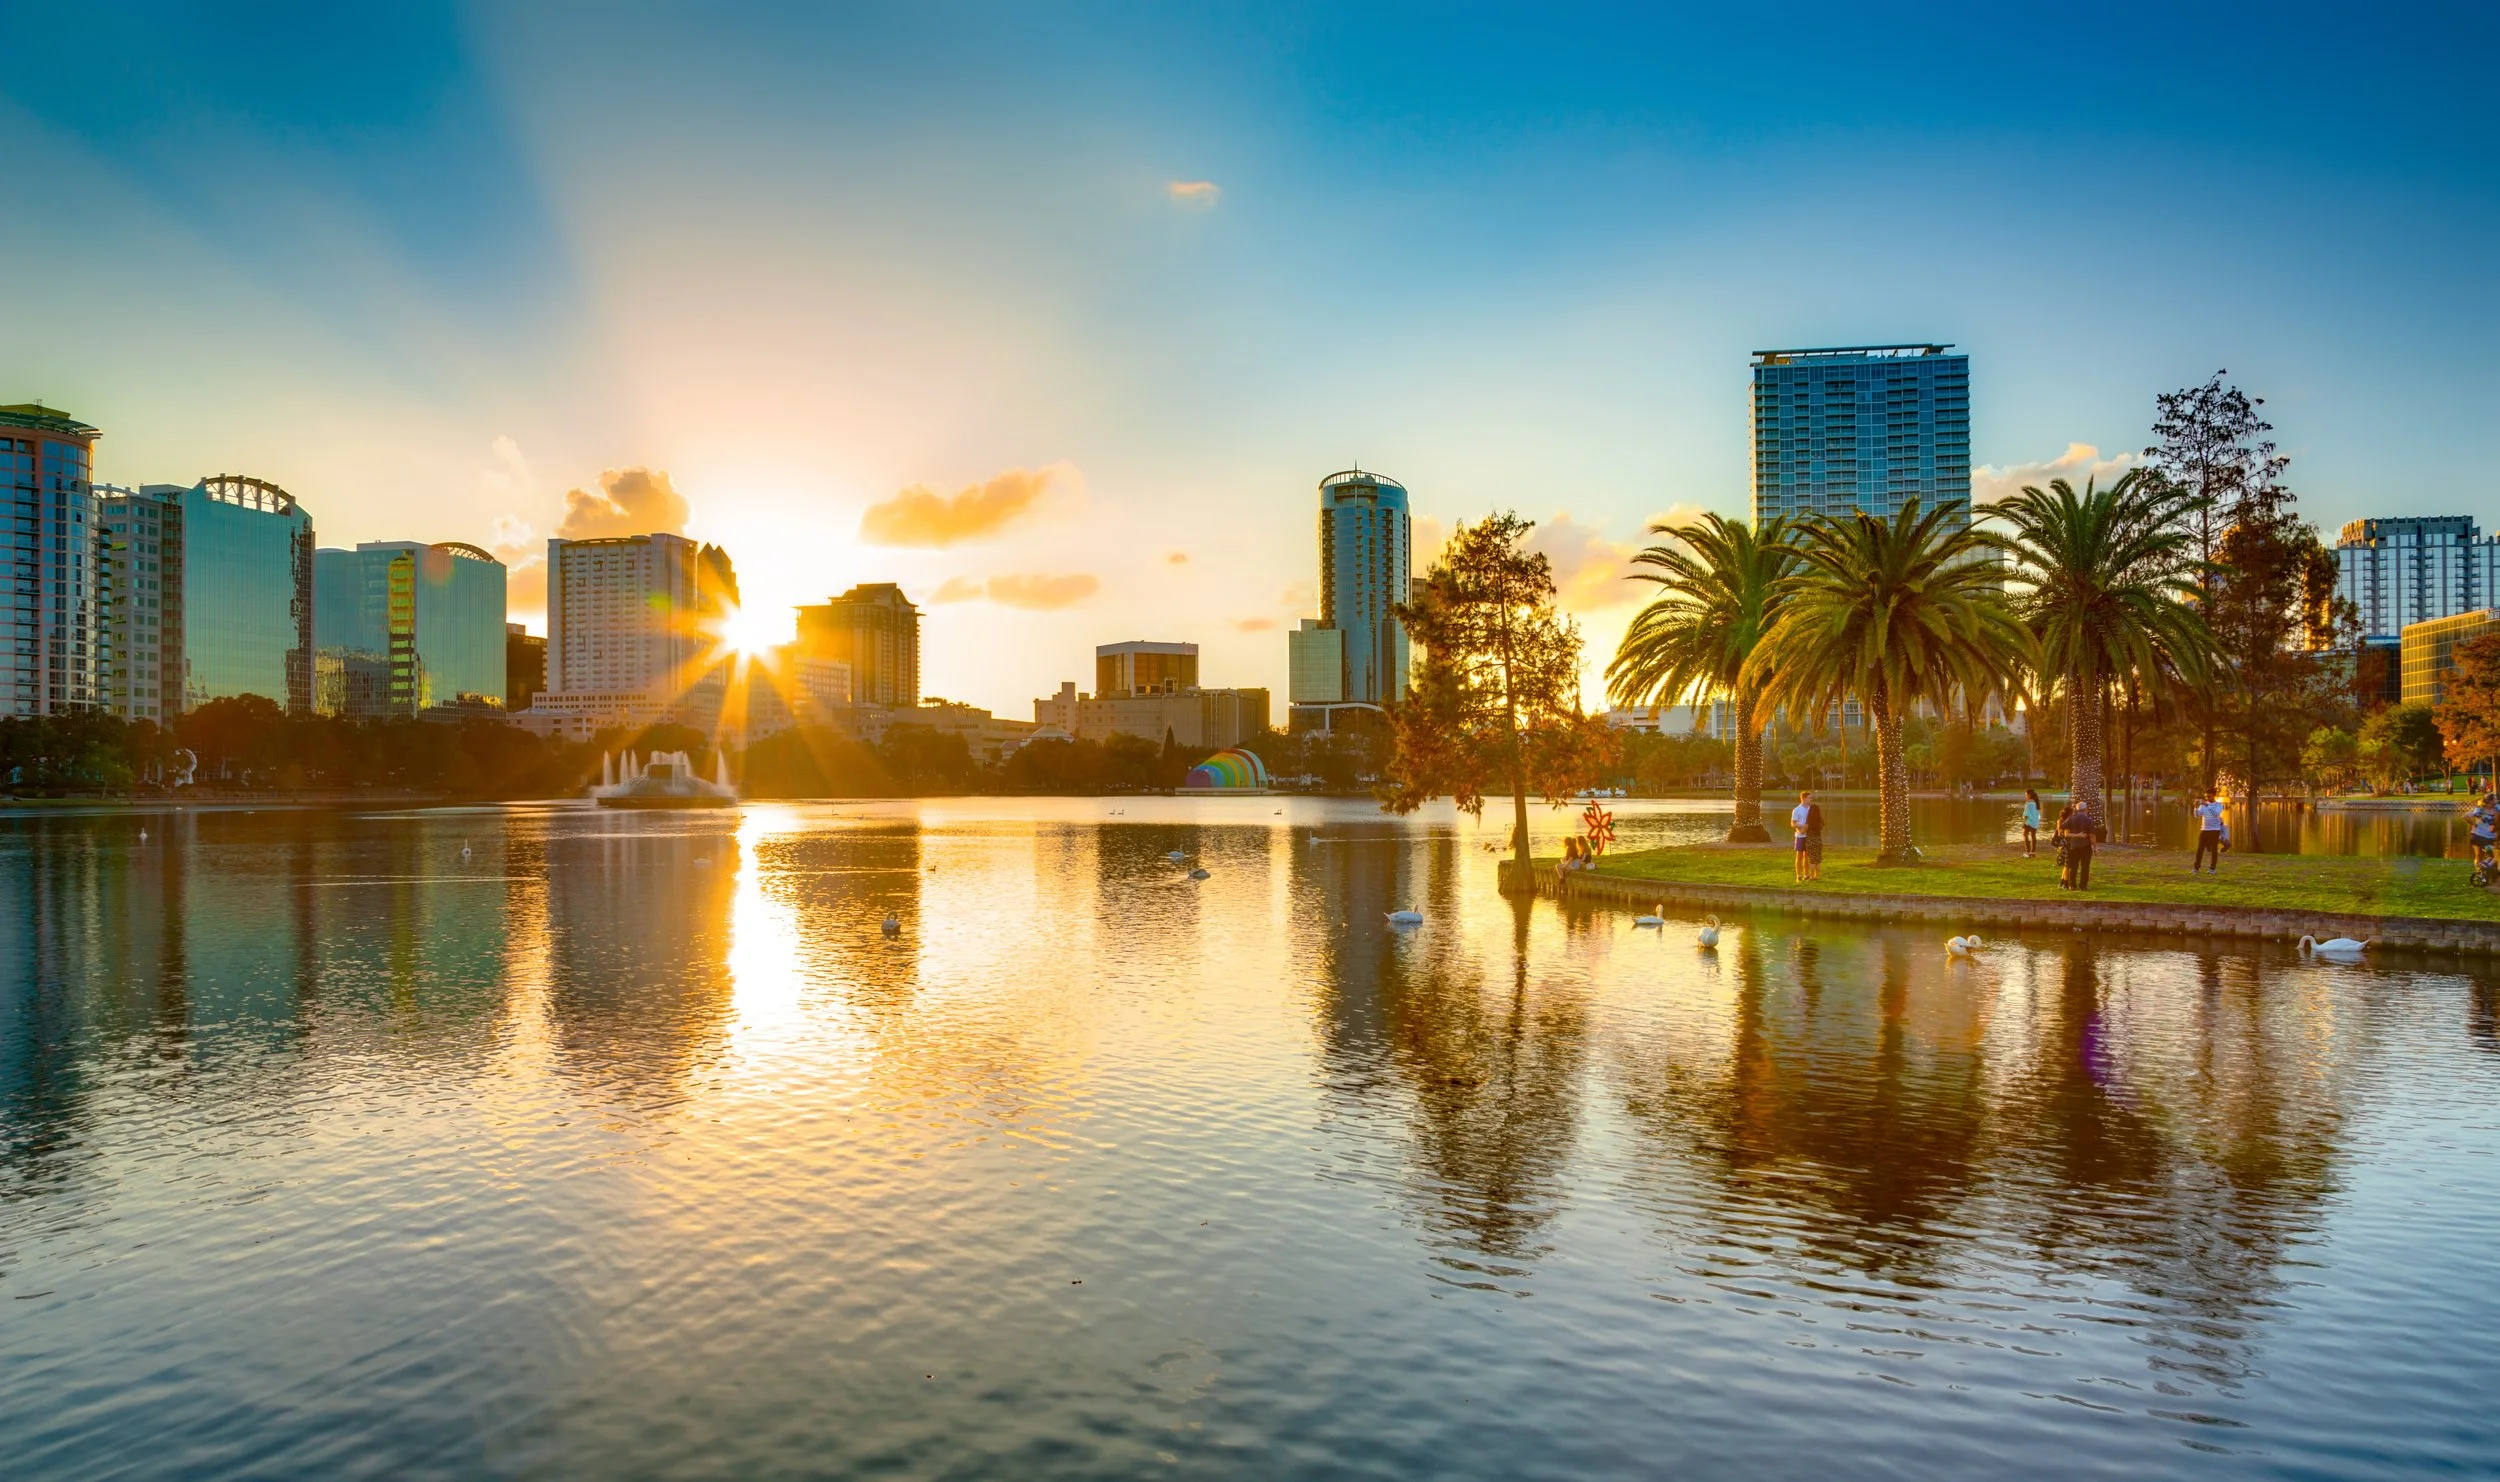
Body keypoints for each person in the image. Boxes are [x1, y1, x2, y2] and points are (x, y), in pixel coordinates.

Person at [2062, 802, 2096, 890]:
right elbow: (2092, 835)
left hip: (2073, 846)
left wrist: (2075, 835)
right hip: (2085, 846)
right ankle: (2083, 886)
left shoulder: (2072, 819)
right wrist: (2095, 847)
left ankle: (2072, 885)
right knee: (2085, 866)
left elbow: (2064, 831)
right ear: (2086, 809)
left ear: (2077, 809)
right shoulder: (2088, 820)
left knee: (2073, 866)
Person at [2192, 789, 2226, 875]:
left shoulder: (2219, 805)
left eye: (2209, 796)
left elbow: (2216, 814)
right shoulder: (2203, 805)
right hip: (2204, 830)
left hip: (2214, 830)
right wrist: (2195, 807)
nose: (2207, 798)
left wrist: (2206, 805)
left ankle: (2212, 869)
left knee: (2214, 850)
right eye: (2206, 796)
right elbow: (2197, 816)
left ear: (2214, 795)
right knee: (2199, 850)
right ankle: (2196, 868)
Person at [1791, 790, 1817, 882]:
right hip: (1800, 836)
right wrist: (1801, 828)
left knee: (1807, 855)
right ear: (1804, 798)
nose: (1811, 799)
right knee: (1799, 855)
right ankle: (1799, 875)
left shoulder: (1811, 809)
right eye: (1810, 798)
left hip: (1809, 835)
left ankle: (1806, 874)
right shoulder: (1797, 810)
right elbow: (1793, 823)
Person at [1804, 793, 1827, 874]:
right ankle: (1817, 875)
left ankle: (1812, 876)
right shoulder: (1820, 821)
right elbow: (1822, 825)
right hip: (1818, 839)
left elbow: (1805, 828)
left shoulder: (1809, 819)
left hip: (1810, 839)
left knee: (1812, 860)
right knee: (1818, 859)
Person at [2021, 788, 2042, 859]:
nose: (2025, 796)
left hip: (2029, 822)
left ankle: (2027, 852)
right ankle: (2032, 851)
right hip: (2035, 822)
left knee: (2025, 835)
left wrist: (2024, 822)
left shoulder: (2028, 803)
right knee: (2033, 836)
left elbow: (2026, 814)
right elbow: (2038, 814)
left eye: (2026, 794)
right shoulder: (2036, 802)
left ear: (2029, 794)